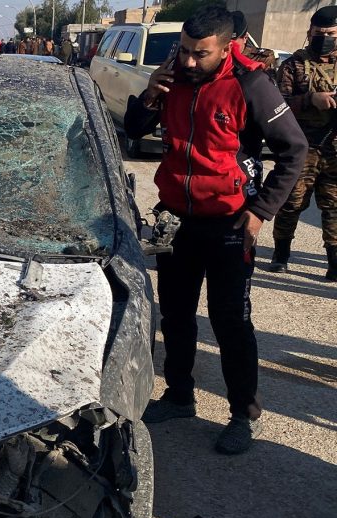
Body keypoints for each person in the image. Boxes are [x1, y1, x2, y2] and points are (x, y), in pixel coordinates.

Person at [124, 5, 307, 454]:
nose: (188, 60)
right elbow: (133, 130)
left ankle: (242, 414)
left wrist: (260, 211)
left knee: (230, 322)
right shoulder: (172, 78)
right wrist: (149, 95)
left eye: (199, 53)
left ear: (227, 49)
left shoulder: (251, 85)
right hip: (177, 222)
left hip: (230, 224)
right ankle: (179, 396)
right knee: (176, 316)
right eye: (183, 50)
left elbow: (294, 150)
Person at [268, 6, 337, 280]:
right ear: (309, 32)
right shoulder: (293, 65)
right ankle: (281, 255)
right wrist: (311, 100)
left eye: (331, 34)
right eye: (319, 33)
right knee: (292, 202)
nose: (325, 38)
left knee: (333, 206)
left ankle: (334, 262)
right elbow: (278, 105)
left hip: (334, 148)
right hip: (302, 147)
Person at [231, 10, 278, 81]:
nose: (228, 45)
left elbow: (265, 84)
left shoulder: (262, 58)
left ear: (245, 38)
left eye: (232, 41)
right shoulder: (219, 55)